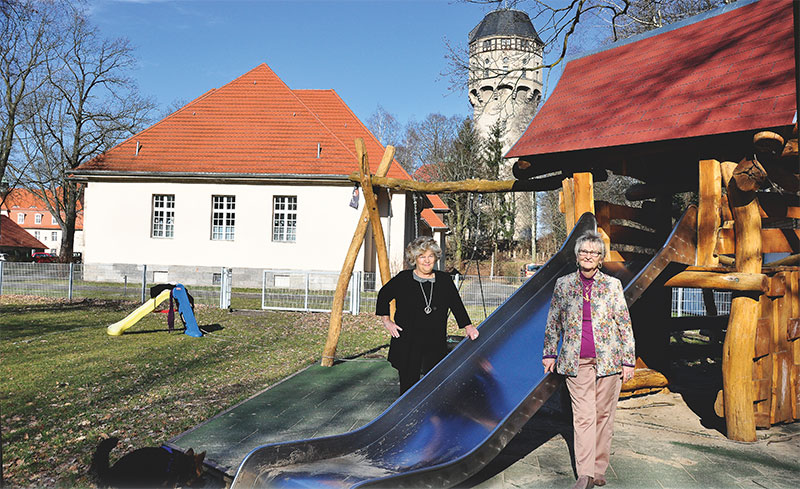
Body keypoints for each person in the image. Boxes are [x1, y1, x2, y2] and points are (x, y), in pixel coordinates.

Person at [542, 230, 635, 489]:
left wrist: (629, 361)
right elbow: (553, 322)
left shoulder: (612, 285)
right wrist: (549, 352)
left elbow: (624, 325)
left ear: (601, 258)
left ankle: (599, 467)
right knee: (583, 416)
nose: (588, 256)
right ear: (577, 256)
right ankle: (585, 473)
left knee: (604, 415)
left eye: (594, 253)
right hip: (575, 360)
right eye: (584, 252)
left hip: (609, 360)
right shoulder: (564, 284)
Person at [376, 236, 479, 395]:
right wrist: (387, 321)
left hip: (434, 342)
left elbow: (456, 304)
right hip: (408, 342)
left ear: (436, 257)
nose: (426, 260)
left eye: (430, 256)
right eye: (421, 256)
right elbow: (383, 296)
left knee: (434, 385)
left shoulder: (444, 280)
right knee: (408, 388)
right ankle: (408, 416)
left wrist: (468, 326)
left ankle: (433, 417)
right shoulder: (404, 279)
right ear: (414, 258)